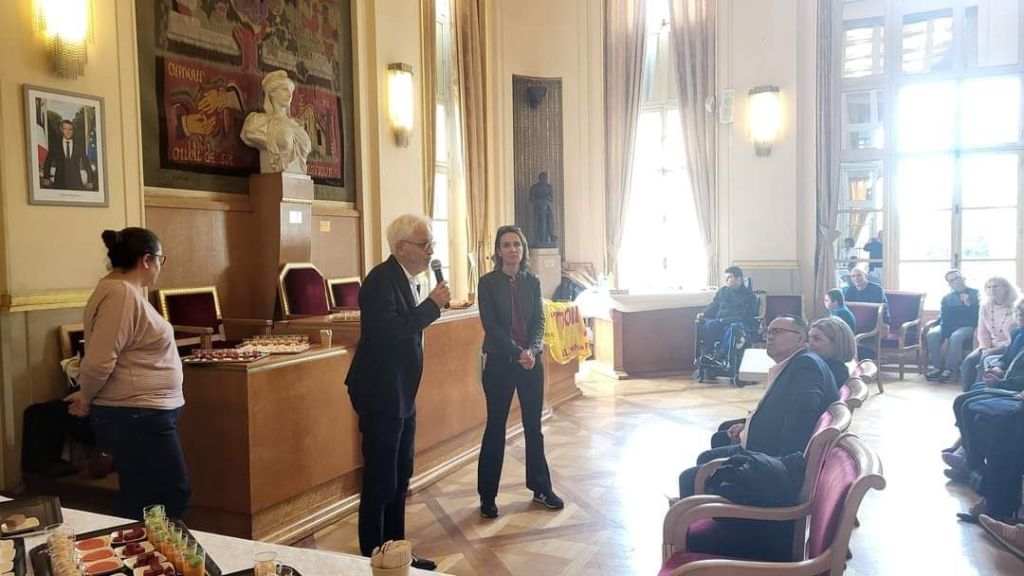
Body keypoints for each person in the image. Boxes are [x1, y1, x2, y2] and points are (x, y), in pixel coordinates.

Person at [344, 214, 450, 571]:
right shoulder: (380, 281)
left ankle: (397, 554)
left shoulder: (407, 279)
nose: (430, 251)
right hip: (380, 395)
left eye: (431, 244)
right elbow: (388, 333)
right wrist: (432, 306)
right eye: (424, 244)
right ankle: (372, 557)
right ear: (402, 247)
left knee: (400, 476)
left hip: (402, 394)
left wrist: (429, 305)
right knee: (380, 480)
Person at [64, 228, 189, 520]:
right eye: (160, 259)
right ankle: (151, 547)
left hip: (139, 412)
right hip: (136, 413)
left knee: (147, 494)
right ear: (146, 260)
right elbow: (99, 360)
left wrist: (88, 394)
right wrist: (87, 396)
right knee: (171, 492)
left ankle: (147, 546)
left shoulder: (121, 291)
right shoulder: (120, 294)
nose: (160, 266)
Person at [679, 315, 838, 498]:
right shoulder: (797, 363)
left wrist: (774, 463)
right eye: (768, 332)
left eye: (777, 332)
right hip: (766, 453)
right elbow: (778, 412)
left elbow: (801, 418)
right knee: (706, 459)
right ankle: (697, 509)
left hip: (775, 464)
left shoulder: (806, 366)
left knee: (690, 477)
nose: (769, 337)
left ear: (800, 338)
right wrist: (748, 427)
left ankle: (694, 511)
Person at [476, 225, 563, 520]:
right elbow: (491, 325)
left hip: (530, 363)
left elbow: (539, 319)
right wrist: (517, 352)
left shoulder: (532, 280)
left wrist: (534, 350)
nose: (512, 249)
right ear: (498, 251)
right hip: (500, 363)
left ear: (523, 249)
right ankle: (487, 496)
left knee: (533, 427)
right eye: (506, 245)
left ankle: (541, 488)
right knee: (495, 428)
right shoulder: (487, 283)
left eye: (517, 244)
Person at [240, 70, 313, 174]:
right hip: (274, 176)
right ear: (271, 93)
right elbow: (248, 134)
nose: (289, 95)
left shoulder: (297, 124)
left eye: (291, 91)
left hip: (298, 177)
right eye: (284, 90)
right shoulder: (258, 122)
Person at [960, 277, 1018, 392]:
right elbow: (982, 331)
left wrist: (992, 351)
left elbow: (1016, 335)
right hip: (989, 344)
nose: (991, 289)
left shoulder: (1016, 306)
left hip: (1009, 345)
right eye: (988, 287)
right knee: (969, 361)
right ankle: (967, 392)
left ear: (1005, 288)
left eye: (995, 286)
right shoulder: (985, 306)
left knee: (985, 360)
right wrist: (985, 348)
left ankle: (980, 391)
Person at [926, 270, 980, 383]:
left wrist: (969, 304)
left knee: (956, 337)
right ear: (949, 284)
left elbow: (978, 316)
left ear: (964, 278)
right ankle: (938, 367)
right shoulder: (947, 298)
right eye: (952, 280)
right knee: (932, 334)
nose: (956, 281)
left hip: (970, 326)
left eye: (957, 278)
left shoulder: (976, 294)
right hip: (950, 325)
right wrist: (946, 338)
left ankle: (951, 369)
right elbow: (945, 319)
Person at [698, 266, 758, 363]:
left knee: (734, 328)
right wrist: (704, 313)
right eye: (725, 277)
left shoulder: (750, 296)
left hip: (738, 323)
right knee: (710, 325)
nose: (726, 280)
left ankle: (721, 355)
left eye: (729, 277)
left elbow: (746, 315)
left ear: (738, 279)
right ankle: (706, 353)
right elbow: (714, 306)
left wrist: (728, 318)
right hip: (721, 322)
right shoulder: (722, 292)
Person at [42, 119, 95, 190]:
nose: (68, 132)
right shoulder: (56, 145)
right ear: (61, 129)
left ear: (73, 131)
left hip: (76, 183)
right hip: (59, 183)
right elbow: (48, 161)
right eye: (65, 129)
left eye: (70, 129)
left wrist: (90, 181)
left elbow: (86, 163)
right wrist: (46, 178)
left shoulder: (79, 145)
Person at [808, 317, 857, 387]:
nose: (809, 343)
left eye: (816, 339)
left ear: (838, 343)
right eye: (809, 338)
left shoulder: (830, 372)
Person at [528, 172, 557, 247]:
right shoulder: (535, 187)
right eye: (542, 178)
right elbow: (531, 198)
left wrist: (546, 200)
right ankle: (537, 239)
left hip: (547, 208)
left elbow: (551, 198)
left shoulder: (549, 187)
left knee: (549, 222)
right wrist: (538, 201)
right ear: (539, 178)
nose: (544, 179)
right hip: (538, 208)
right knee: (537, 223)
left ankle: (550, 236)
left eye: (545, 178)